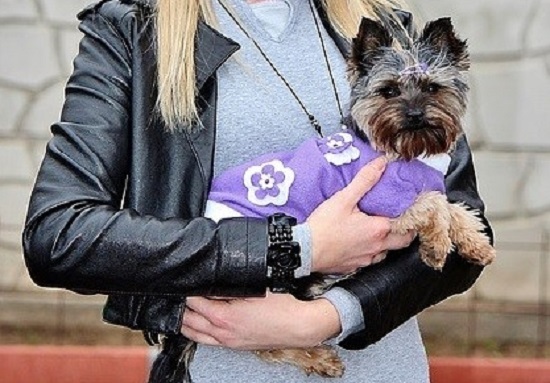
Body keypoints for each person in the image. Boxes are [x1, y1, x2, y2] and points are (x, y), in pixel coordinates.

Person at [22, 0, 493, 382]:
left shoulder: (386, 26)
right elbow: (60, 236)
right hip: (218, 370)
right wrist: (296, 248)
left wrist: (328, 316)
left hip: (388, 370)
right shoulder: (134, 30)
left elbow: (464, 238)